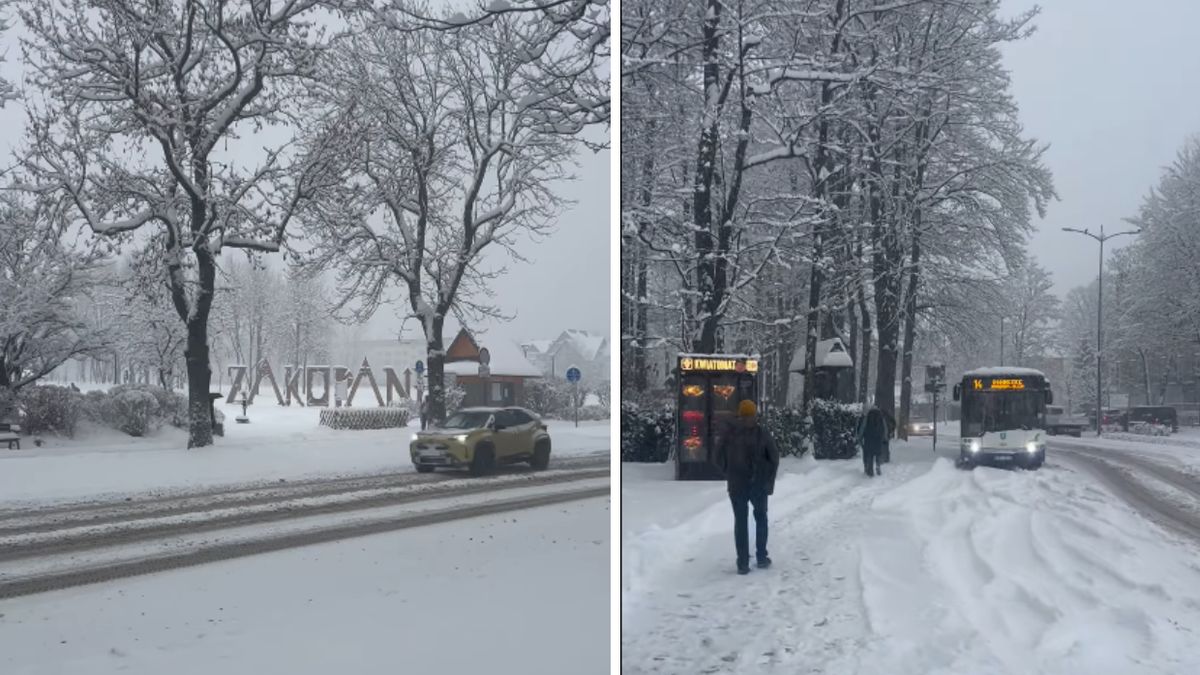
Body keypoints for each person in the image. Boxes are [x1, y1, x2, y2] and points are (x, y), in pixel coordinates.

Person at [714, 400, 780, 575]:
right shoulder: (762, 433)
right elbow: (774, 458)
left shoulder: (729, 434)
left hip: (736, 485)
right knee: (761, 518)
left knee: (741, 522)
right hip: (758, 484)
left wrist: (728, 472)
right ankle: (761, 557)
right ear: (754, 415)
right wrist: (769, 482)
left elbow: (717, 456)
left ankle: (742, 563)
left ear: (739, 414)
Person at [856, 406, 889, 477]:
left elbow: (863, 427)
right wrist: (885, 437)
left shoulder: (867, 416)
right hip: (878, 438)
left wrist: (860, 437)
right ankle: (878, 466)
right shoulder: (881, 417)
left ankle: (869, 469)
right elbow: (885, 427)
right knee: (878, 453)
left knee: (869, 454)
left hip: (869, 438)